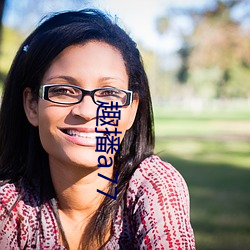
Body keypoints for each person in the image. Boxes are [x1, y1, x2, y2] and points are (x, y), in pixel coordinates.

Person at [0, 9, 195, 250]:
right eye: (64, 90)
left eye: (109, 93)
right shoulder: (9, 207)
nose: (87, 110)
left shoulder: (155, 186)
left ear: (131, 110)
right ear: (32, 106)